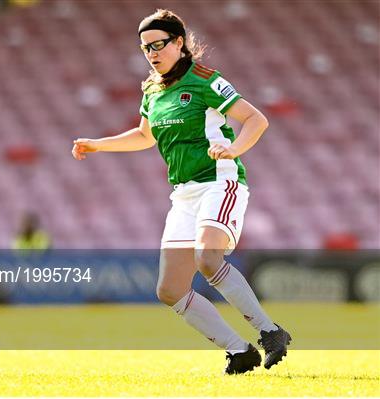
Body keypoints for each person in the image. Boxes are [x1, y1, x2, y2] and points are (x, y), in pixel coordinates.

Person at [72, 9, 291, 374]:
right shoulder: (152, 90)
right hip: (184, 194)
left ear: (179, 43)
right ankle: (239, 351)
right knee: (170, 291)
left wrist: (234, 149)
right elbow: (144, 135)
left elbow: (256, 119)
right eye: (145, 48)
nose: (152, 53)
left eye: (158, 44)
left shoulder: (205, 79)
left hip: (219, 182)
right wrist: (98, 144)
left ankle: (269, 331)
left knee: (208, 258)